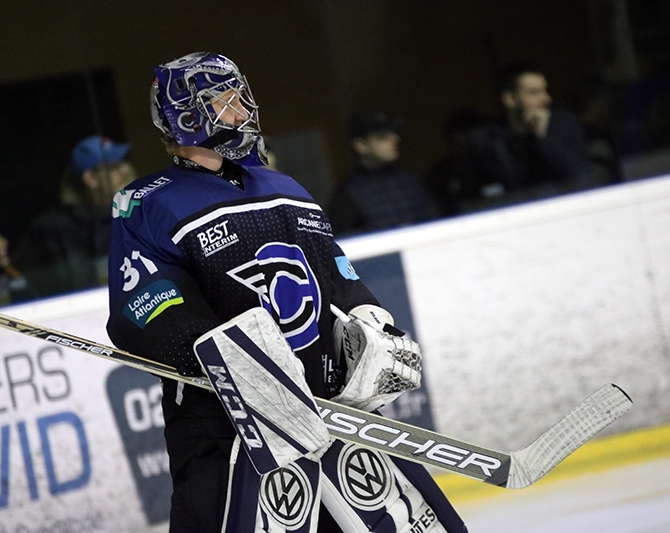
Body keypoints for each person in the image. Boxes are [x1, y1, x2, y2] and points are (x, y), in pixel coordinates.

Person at [106, 52, 465, 533]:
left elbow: (336, 274)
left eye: (241, 99)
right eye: (226, 103)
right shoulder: (148, 203)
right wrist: (235, 362)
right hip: (230, 429)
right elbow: (144, 307)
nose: (243, 112)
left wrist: (372, 322)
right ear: (187, 117)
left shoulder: (286, 186)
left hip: (331, 409)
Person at [459, 61, 596, 211]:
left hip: (566, 210)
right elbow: (471, 199)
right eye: (534, 93)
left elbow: (583, 177)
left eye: (545, 91)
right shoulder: (485, 140)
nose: (546, 99)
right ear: (510, 99)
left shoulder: (564, 124)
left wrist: (543, 138)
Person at [13, 135, 137, 297]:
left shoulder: (138, 213)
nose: (125, 170)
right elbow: (21, 281)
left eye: (123, 164)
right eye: (114, 167)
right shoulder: (53, 228)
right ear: (91, 179)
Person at [327, 110, 440, 236]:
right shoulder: (347, 195)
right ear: (361, 146)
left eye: (392, 133)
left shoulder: (411, 180)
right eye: (382, 136)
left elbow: (436, 221)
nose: (395, 138)